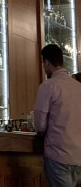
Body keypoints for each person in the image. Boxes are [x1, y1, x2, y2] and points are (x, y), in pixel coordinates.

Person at [33, 44, 81, 187]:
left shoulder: (48, 86)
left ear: (47, 62)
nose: (44, 67)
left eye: (43, 63)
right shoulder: (78, 87)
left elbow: (40, 125)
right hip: (78, 156)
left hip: (58, 155)